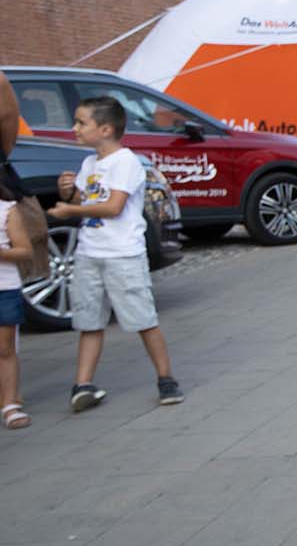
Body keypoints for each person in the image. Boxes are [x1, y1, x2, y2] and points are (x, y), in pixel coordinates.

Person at [46, 97, 183, 410]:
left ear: (105, 129)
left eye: (82, 122)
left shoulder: (126, 162)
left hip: (123, 255)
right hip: (89, 253)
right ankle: (83, 385)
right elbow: (87, 197)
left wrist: (71, 208)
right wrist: (69, 191)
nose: (74, 128)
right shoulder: (89, 163)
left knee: (142, 319)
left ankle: (166, 379)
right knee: (89, 321)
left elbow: (113, 206)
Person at [0, 176, 28, 429]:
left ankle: (10, 404)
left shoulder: (6, 209)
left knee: (5, 349)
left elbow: (24, 250)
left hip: (4, 287)